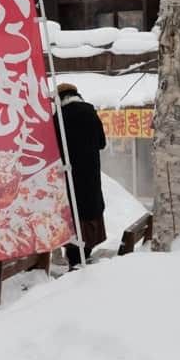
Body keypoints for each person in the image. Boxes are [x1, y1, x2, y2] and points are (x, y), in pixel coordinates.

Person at [53, 83, 107, 268]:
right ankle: (85, 253)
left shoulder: (59, 118)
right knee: (89, 212)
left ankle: (75, 261)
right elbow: (102, 143)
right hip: (90, 174)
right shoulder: (90, 112)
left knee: (74, 216)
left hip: (69, 176)